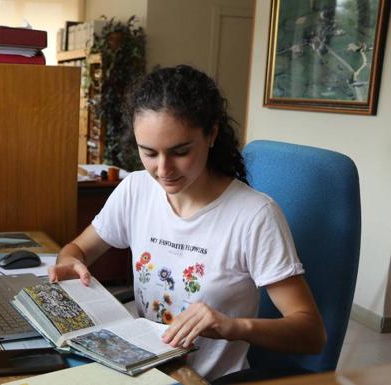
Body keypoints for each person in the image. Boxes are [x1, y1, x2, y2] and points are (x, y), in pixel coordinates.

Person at [48, 64, 326, 381]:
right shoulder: (136, 189)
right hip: (140, 368)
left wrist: (233, 327)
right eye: (149, 153)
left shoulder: (254, 216)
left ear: (212, 134)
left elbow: (311, 333)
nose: (163, 170)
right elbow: (77, 250)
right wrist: (70, 261)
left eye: (180, 151)